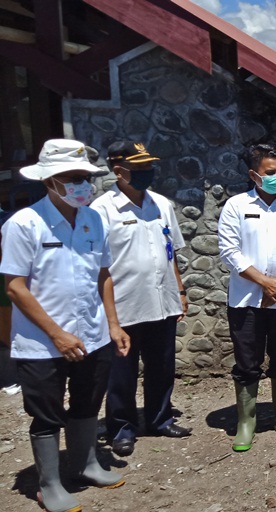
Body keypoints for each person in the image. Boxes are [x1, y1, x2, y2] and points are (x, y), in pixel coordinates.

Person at [1, 139, 131, 512]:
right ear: (49, 182)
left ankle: (86, 464)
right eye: (71, 178)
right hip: (42, 343)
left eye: (85, 178)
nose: (82, 186)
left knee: (88, 401)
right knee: (46, 412)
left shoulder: (93, 219)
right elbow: (14, 286)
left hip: (91, 335)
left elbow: (103, 274)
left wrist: (113, 324)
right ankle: (50, 484)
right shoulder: (24, 224)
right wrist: (56, 334)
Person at [91, 141, 191, 457]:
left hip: (162, 300)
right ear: (119, 171)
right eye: (139, 168)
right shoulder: (101, 211)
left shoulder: (162, 204)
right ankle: (121, 428)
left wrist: (181, 290)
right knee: (121, 373)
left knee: (161, 366)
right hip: (124, 305)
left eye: (149, 166)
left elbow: (170, 251)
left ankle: (159, 419)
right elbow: (98, 266)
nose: (148, 172)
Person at [218, 143, 276, 452]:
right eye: (270, 172)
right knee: (247, 360)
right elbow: (229, 251)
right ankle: (246, 421)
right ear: (253, 175)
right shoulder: (236, 206)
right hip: (246, 299)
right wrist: (263, 282)